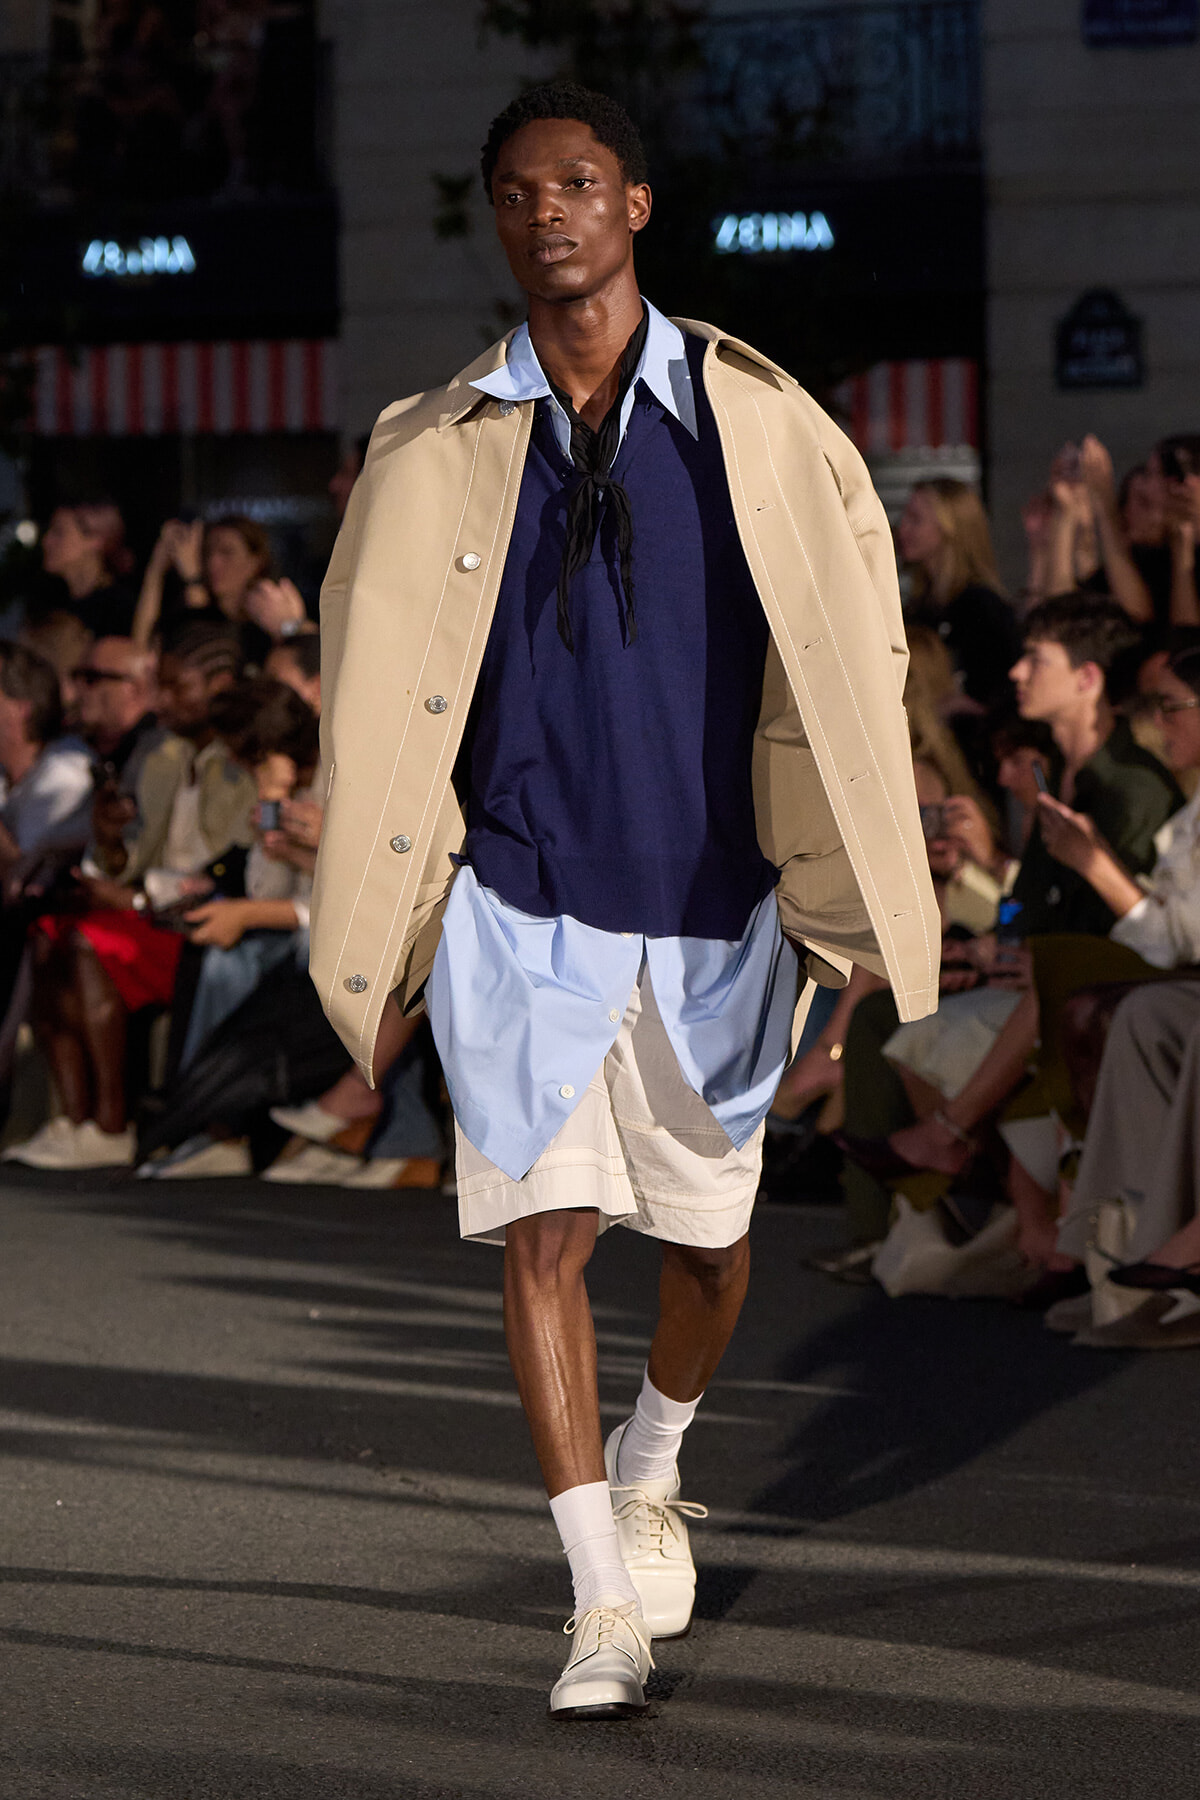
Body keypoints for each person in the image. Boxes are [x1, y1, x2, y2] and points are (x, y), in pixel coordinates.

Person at [309, 83, 938, 1718]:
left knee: (712, 1250)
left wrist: (854, 910)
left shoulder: (755, 423)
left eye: (578, 182)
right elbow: (373, 693)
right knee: (545, 1235)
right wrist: (385, 921)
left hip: (711, 902)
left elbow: (852, 664)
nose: (549, 213)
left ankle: (658, 1460)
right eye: (517, 191)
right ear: (500, 217)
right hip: (520, 899)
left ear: (637, 204)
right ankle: (597, 1600)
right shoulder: (435, 445)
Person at [835, 593, 1182, 1260]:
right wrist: (1004, 938)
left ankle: (967, 1165)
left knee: (914, 1022)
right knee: (891, 1015)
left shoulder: (1129, 788)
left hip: (1095, 982)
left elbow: (1134, 920)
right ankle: (929, 1210)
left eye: (1036, 659)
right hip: (1040, 974)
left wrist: (1032, 952)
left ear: (1087, 679)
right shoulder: (1056, 774)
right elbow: (1026, 897)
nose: (1018, 672)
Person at [5, 625, 255, 1171]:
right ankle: (76, 1120)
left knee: (89, 942)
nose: (160, 700)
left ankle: (113, 1122)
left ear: (221, 685)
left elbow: (233, 866)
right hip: (152, 912)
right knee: (48, 933)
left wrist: (137, 896)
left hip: (199, 917)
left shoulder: (240, 762)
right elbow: (133, 859)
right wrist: (112, 837)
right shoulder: (163, 756)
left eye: (175, 687)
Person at [897, 478, 1022, 707]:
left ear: (950, 527)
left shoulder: (982, 609)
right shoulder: (919, 606)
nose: (902, 528)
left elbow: (1003, 695)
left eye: (915, 519)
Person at [133, 513, 306, 663]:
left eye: (227, 552)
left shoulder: (262, 626)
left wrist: (193, 580)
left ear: (255, 562)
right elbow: (140, 652)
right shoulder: (187, 612)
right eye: (208, 553)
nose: (213, 563)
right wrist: (155, 571)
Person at [37, 502, 137, 639]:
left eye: (59, 532)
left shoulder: (116, 610)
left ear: (95, 540)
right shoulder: (52, 603)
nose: (46, 541)